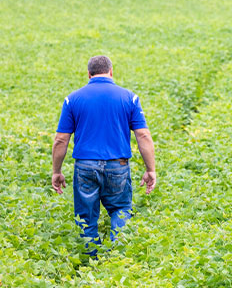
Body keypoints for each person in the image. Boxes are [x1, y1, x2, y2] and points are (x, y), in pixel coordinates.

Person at [51, 55, 157, 257]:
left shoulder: (72, 99)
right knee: (120, 209)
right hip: (118, 165)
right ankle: (118, 258)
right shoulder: (129, 98)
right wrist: (150, 169)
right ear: (111, 72)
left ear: (88, 74)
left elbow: (60, 140)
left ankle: (92, 263)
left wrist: (57, 171)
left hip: (85, 166)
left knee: (86, 218)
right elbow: (142, 134)